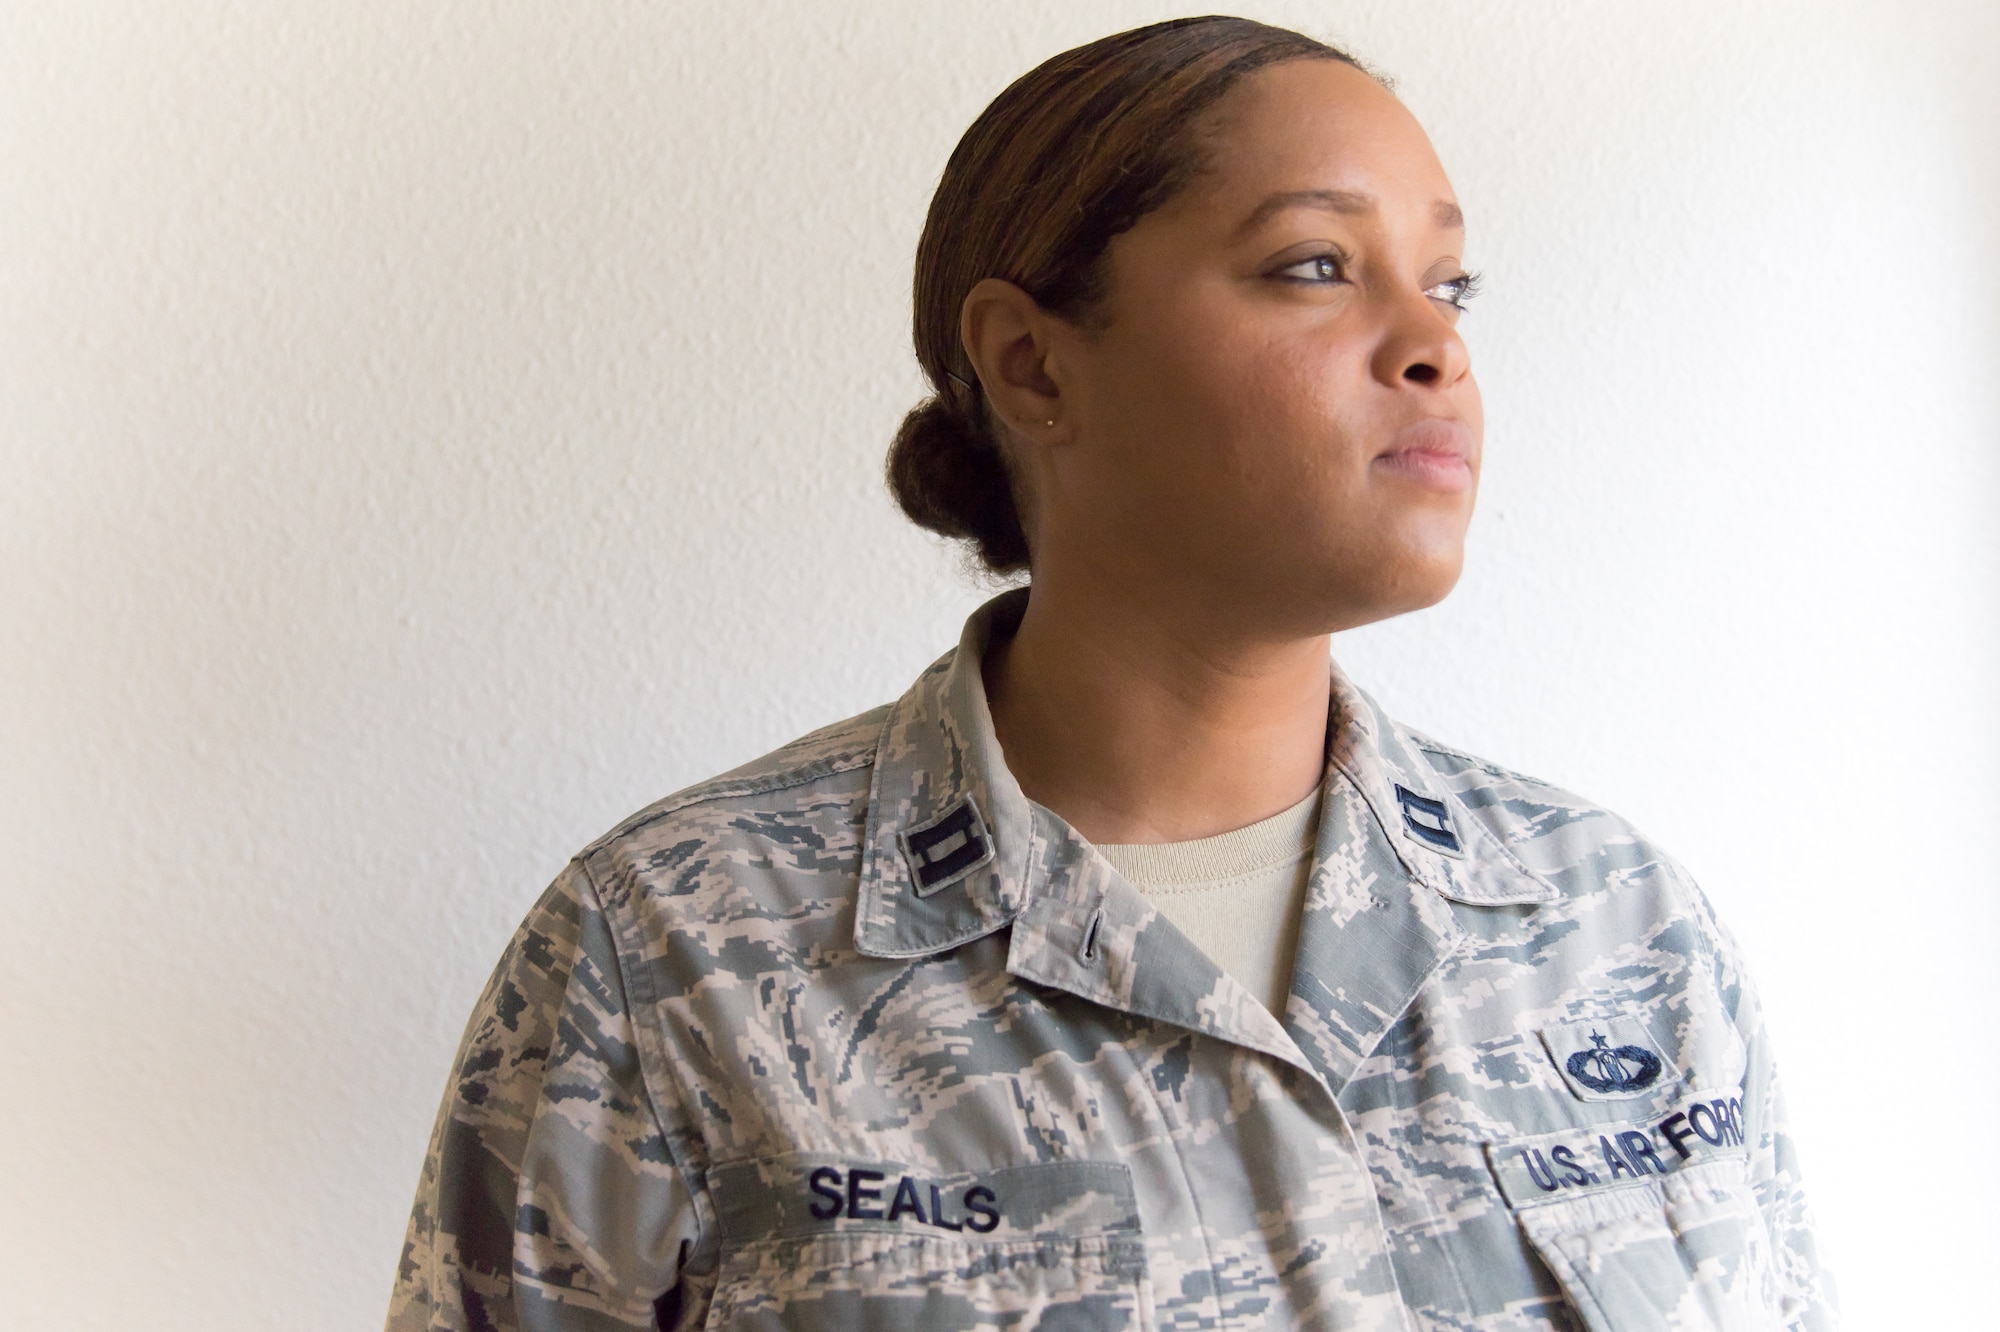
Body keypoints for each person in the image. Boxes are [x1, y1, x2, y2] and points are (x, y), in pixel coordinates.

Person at [387, 17, 1835, 1332]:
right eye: (1315, 266)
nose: (1433, 344)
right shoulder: (680, 957)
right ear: (1032, 367)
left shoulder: (1613, 928)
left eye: (1450, 280)